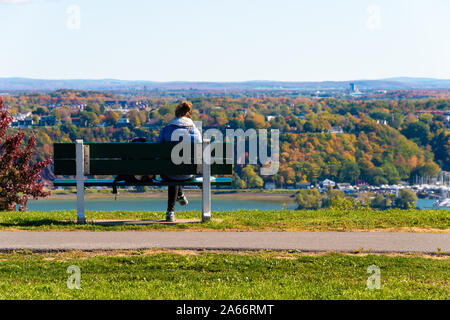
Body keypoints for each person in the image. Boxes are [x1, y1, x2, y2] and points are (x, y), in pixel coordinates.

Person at [157, 101, 202, 222]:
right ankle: (179, 197)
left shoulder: (166, 130)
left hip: (168, 172)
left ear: (176, 115)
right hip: (188, 174)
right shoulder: (195, 132)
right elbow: (199, 156)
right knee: (178, 170)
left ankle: (171, 211)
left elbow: (156, 151)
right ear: (189, 115)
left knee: (173, 171)